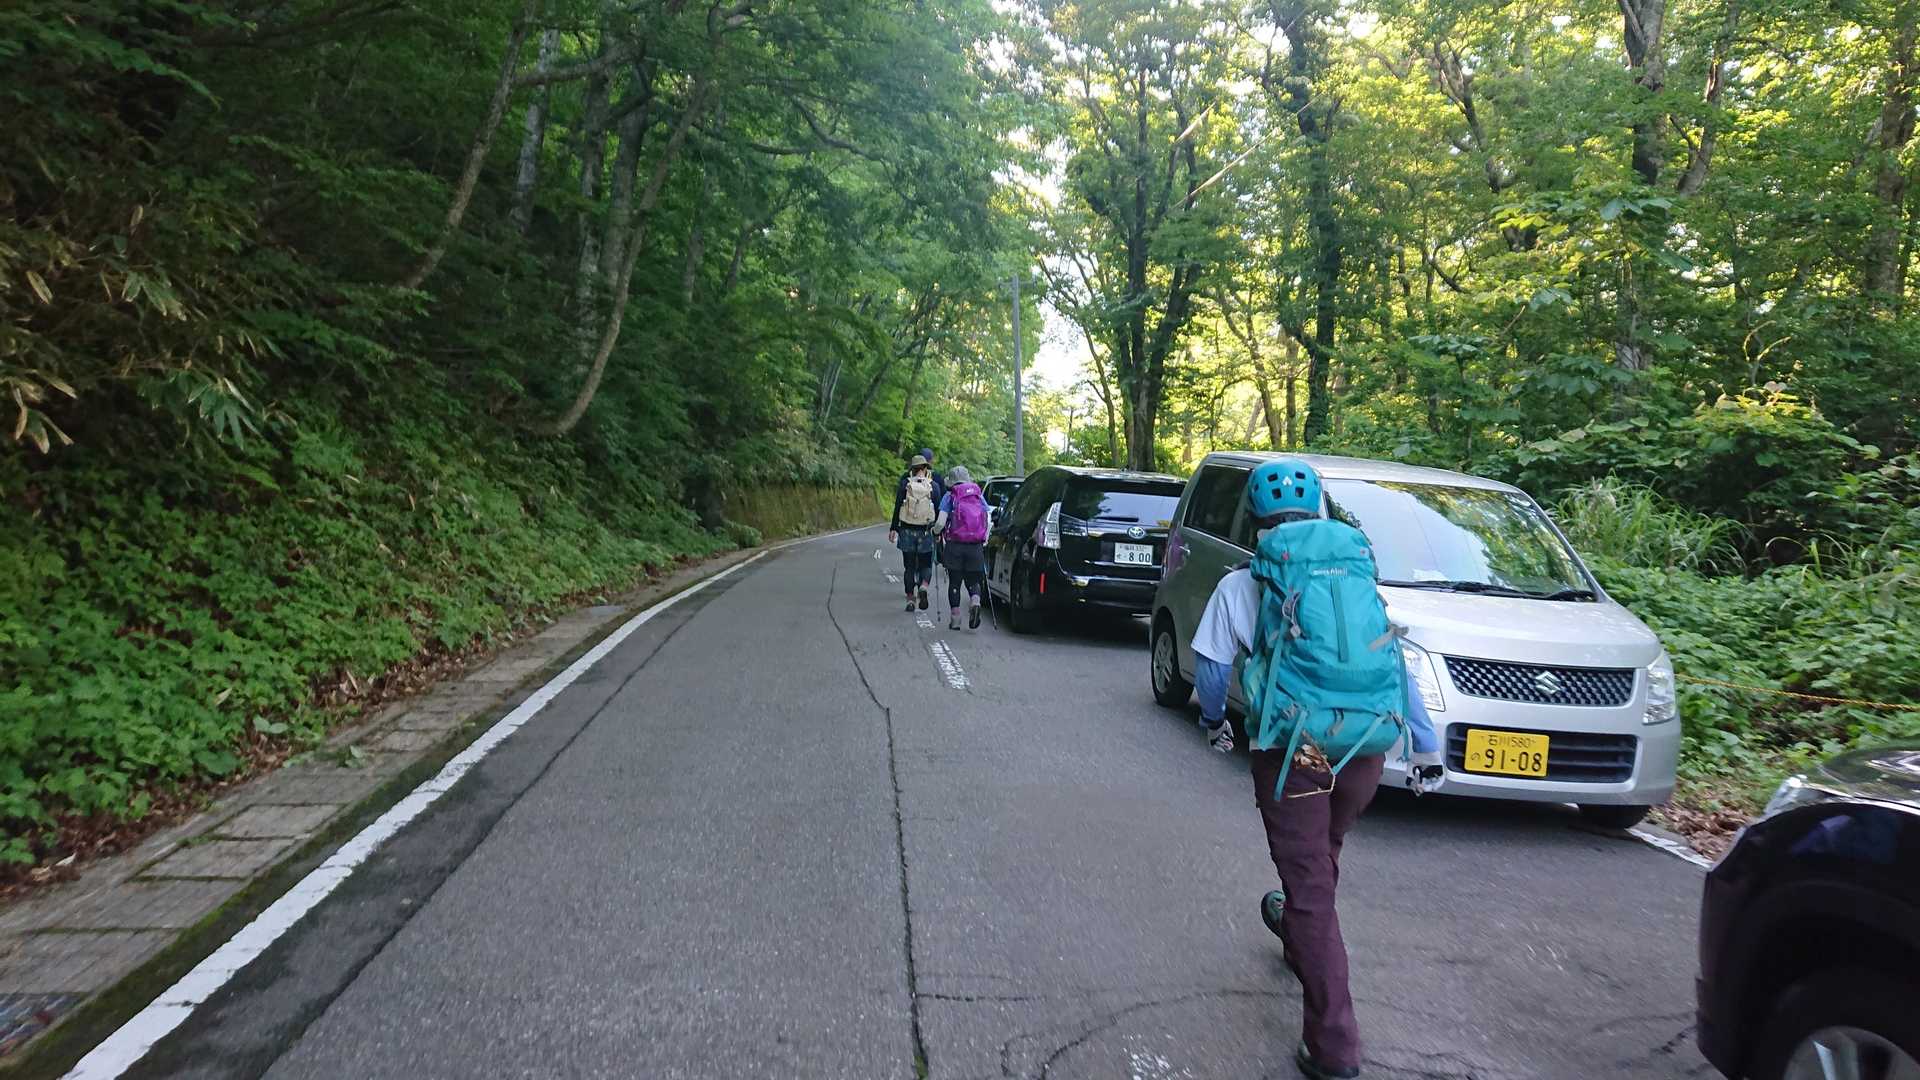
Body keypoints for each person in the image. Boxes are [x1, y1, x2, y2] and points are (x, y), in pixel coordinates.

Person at [1189, 460, 1443, 1080]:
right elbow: (1393, 660)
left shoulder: (1242, 584)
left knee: (1308, 884)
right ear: (1321, 513)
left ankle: (1334, 1045)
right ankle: (1295, 924)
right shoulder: (1355, 577)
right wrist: (1426, 746)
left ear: (1256, 521)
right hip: (1366, 747)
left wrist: (1214, 723)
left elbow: (1213, 671)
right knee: (1321, 853)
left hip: (1298, 748)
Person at [933, 466, 990, 630]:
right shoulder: (978, 495)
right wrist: (984, 539)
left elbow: (940, 522)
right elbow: (987, 519)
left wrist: (935, 532)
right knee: (973, 580)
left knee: (955, 582)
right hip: (975, 546)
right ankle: (975, 602)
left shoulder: (949, 496)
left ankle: (956, 619)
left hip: (955, 545)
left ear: (951, 482)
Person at [889, 455, 940, 611]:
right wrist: (939, 533)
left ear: (912, 469)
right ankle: (923, 586)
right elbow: (938, 511)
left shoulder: (905, 485)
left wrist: (893, 528)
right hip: (926, 532)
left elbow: (898, 507)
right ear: (925, 468)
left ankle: (910, 599)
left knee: (909, 567)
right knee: (926, 565)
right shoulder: (934, 486)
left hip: (906, 531)